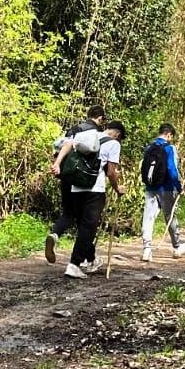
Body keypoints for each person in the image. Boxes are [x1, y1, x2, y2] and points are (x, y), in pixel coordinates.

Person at [54, 120, 126, 279]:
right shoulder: (114, 144)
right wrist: (117, 188)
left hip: (75, 187)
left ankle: (90, 259)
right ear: (118, 134)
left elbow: (66, 144)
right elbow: (111, 173)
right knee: (89, 228)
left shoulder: (86, 134)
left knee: (83, 227)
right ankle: (74, 264)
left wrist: (57, 164)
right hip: (95, 190)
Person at [43, 105, 106, 264]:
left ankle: (55, 234)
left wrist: (57, 165)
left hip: (67, 177)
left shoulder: (73, 129)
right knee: (85, 222)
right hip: (84, 181)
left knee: (69, 214)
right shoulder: (96, 133)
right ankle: (87, 259)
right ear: (100, 119)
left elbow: (60, 147)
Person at [139, 123, 185, 262]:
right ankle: (177, 245)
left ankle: (147, 249)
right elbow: (173, 169)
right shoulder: (169, 148)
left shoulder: (149, 147)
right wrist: (178, 187)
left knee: (148, 217)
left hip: (150, 187)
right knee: (170, 216)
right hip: (166, 188)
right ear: (169, 135)